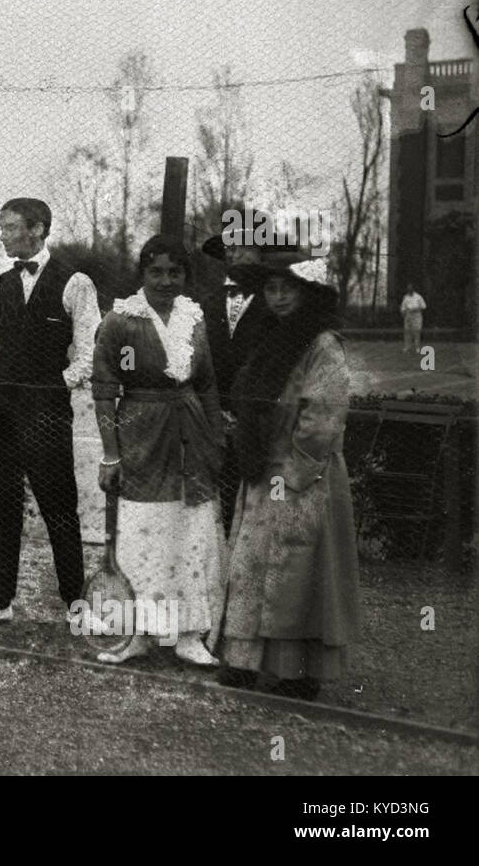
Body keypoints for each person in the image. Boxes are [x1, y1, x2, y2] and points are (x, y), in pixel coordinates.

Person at [216, 250, 359, 700]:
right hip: (262, 469)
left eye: (287, 289)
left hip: (303, 474)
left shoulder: (322, 343)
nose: (277, 297)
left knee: (294, 573)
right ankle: (244, 661)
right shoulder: (268, 337)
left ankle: (297, 671)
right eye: (271, 289)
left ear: (308, 294)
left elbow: (324, 413)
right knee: (251, 567)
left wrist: (295, 472)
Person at [0, 198, 101, 628]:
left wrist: (60, 382)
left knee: (59, 507)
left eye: (10, 226)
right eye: (1, 226)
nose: (1, 234)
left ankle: (77, 608)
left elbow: (91, 351)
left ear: (38, 229)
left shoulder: (75, 283)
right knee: (1, 507)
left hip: (47, 414)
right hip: (1, 413)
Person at [90, 235, 224, 665]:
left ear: (185, 275)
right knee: (143, 533)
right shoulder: (121, 321)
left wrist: (214, 438)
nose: (166, 281)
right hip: (141, 435)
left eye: (175, 272)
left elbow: (206, 385)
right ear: (142, 275)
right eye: (157, 272)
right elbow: (104, 392)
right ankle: (138, 634)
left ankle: (187, 634)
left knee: (189, 533)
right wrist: (111, 454)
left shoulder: (194, 317)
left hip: (190, 435)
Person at [202, 230, 272, 536]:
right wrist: (215, 409)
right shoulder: (206, 302)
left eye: (244, 246)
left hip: (256, 420)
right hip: (212, 418)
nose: (235, 253)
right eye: (230, 248)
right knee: (217, 499)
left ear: (260, 253)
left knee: (255, 499)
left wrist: (245, 412)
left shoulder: (276, 303)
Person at [400, 283, 426, 353]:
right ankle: (407, 347)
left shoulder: (418, 297)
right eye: (408, 289)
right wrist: (402, 312)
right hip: (408, 315)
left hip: (416, 315)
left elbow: (423, 306)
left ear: (413, 289)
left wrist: (416, 309)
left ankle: (417, 347)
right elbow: (403, 306)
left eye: (410, 288)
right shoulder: (405, 297)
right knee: (407, 331)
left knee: (416, 331)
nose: (409, 290)